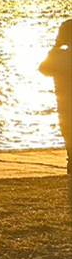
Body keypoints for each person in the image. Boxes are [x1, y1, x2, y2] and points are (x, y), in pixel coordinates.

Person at [39, 19, 72, 178]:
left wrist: (55, 47)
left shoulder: (58, 57)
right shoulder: (60, 57)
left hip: (66, 109)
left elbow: (43, 68)